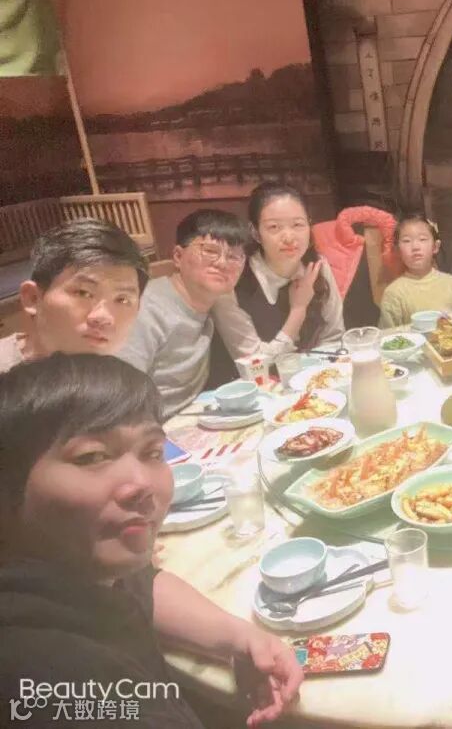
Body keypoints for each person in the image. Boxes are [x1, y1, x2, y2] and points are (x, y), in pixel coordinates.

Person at [0, 353, 303, 727]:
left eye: (152, 452)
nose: (142, 483)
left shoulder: (72, 568)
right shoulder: (66, 684)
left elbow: (140, 582)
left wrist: (241, 636)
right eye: (92, 456)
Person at [119, 210, 248, 417]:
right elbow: (118, 398)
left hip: (191, 420)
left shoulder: (212, 305)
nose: (222, 263)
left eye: (233, 256)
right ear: (178, 256)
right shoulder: (145, 309)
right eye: (210, 251)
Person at [212, 183, 344, 357]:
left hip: (318, 371)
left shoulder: (318, 266)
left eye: (298, 225)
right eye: (274, 227)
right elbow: (255, 363)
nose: (288, 237)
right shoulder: (232, 284)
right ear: (255, 233)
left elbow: (334, 338)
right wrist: (298, 310)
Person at [0, 219, 147, 372]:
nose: (103, 317)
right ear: (33, 298)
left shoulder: (130, 374)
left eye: (122, 300)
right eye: (83, 293)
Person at [378, 213, 452, 328]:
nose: (415, 247)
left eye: (422, 239)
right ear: (398, 250)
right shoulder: (393, 293)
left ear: (435, 246)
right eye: (407, 241)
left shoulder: (451, 283)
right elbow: (388, 336)